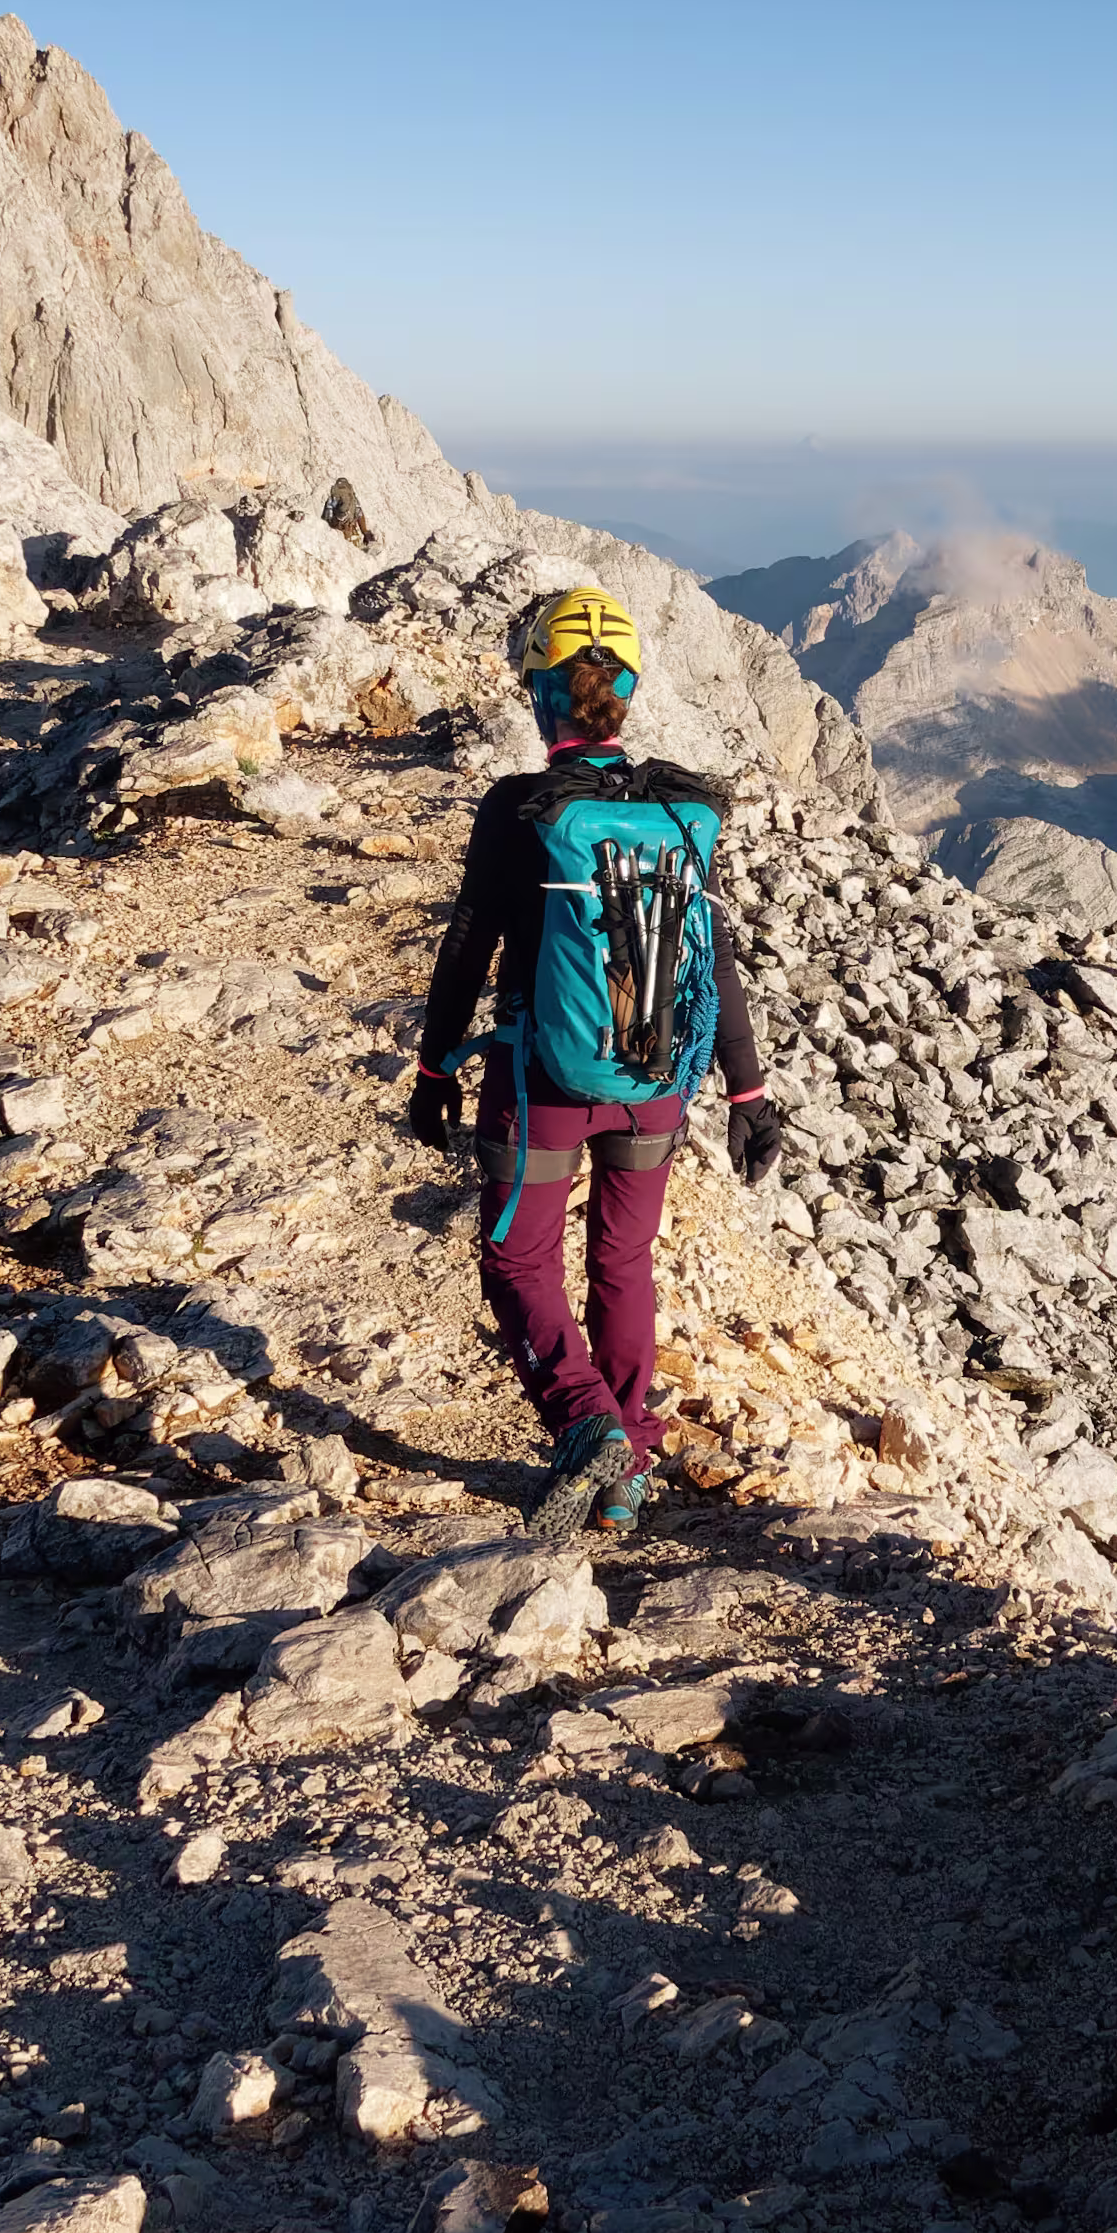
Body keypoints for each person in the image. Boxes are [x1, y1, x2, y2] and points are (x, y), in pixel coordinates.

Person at [406, 584, 788, 1535]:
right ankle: (629, 1463)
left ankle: (588, 1428)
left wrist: (435, 1068)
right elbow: (715, 955)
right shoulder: (680, 810)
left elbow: (469, 943)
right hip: (657, 1081)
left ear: (541, 692)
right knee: (623, 1259)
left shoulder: (524, 807)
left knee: (517, 1258)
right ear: (626, 692)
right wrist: (746, 1091)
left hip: (544, 1079)